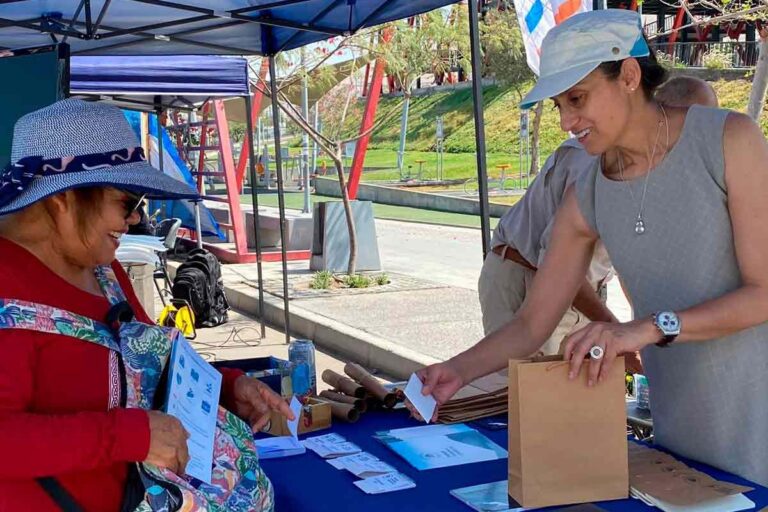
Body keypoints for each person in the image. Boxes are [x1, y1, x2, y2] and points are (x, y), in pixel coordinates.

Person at [416, 9, 768, 487]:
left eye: (576, 99)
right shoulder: (588, 191)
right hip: (680, 424)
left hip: (756, 411)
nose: (565, 121)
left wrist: (644, 329)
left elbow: (763, 293)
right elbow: (531, 324)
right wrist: (455, 371)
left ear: (627, 75)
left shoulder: (730, 139)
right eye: (559, 105)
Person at [0, 99, 294, 511]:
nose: (137, 219)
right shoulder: (7, 282)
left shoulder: (104, 270)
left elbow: (148, 370)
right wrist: (130, 437)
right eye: (127, 201)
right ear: (62, 197)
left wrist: (227, 388)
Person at [481, 74, 718, 359]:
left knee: (585, 391)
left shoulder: (664, 167)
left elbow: (632, 265)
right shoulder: (595, 163)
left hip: (583, 291)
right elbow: (557, 272)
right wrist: (622, 333)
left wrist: (643, 330)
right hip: (527, 280)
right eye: (693, 123)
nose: (703, 136)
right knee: (535, 392)